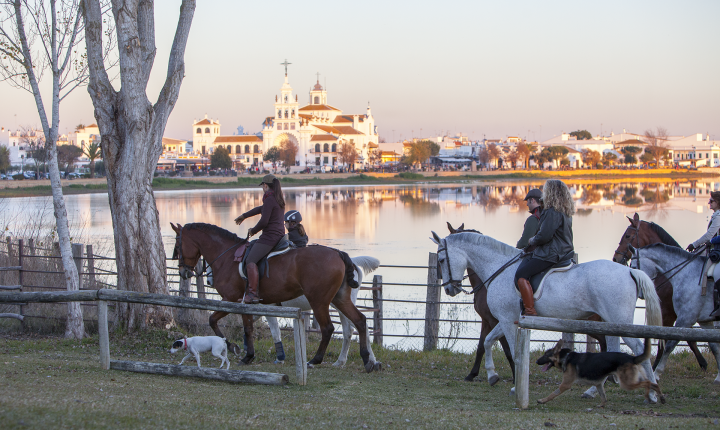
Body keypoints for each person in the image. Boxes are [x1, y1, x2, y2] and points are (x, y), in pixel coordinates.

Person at [514, 179, 575, 316]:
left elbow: (544, 236)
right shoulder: (565, 210)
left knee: (521, 274)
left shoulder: (552, 211)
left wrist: (531, 240)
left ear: (551, 193)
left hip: (552, 253)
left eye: (546, 190)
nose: (543, 194)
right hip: (565, 252)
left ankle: (530, 310)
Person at [234, 174, 286, 304]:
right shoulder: (277, 198)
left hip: (270, 237)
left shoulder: (269, 199)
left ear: (265, 185)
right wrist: (244, 215)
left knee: (251, 260)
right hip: (278, 235)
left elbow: (263, 222)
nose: (262, 188)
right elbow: (261, 209)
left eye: (263, 185)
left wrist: (253, 230)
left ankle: (253, 294)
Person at [688, 191, 720, 317]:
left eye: (711, 201)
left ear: (718, 202)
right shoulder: (716, 215)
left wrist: (694, 244)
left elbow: (710, 235)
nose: (709, 203)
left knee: (716, 272)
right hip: (715, 247)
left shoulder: (718, 216)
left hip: (717, 248)